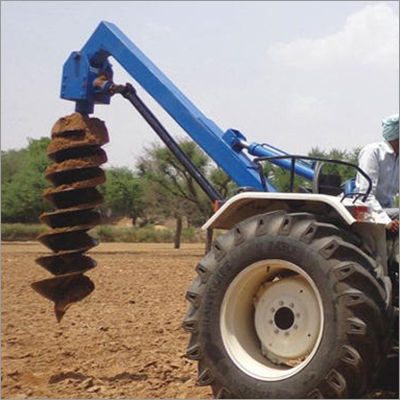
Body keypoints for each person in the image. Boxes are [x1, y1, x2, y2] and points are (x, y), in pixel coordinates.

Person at [355, 114, 399, 234]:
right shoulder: (373, 152)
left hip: (385, 210)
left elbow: (390, 197)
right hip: (364, 210)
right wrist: (386, 221)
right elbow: (365, 195)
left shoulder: (397, 158)